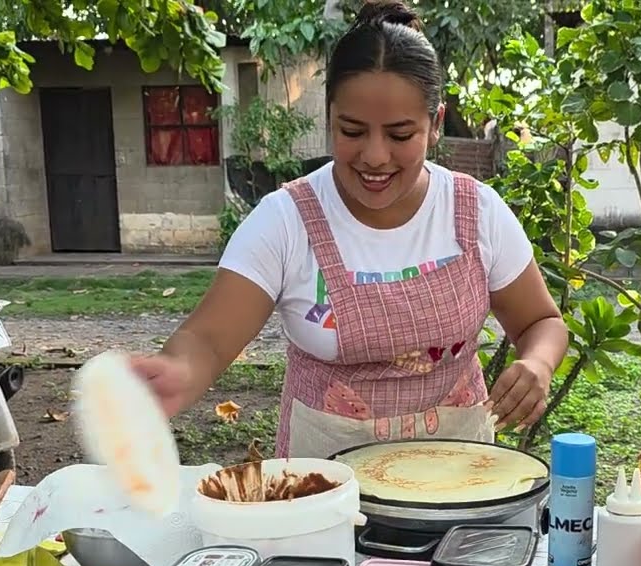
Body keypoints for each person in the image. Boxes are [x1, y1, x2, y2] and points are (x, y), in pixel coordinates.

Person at [131, 0, 568, 459]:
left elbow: (542, 322)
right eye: (353, 131)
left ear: (435, 124)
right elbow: (207, 340)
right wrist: (178, 370)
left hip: (458, 485)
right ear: (329, 118)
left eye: (400, 135)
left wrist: (537, 363)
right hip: (323, 495)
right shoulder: (286, 221)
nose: (375, 156)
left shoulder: (475, 211)